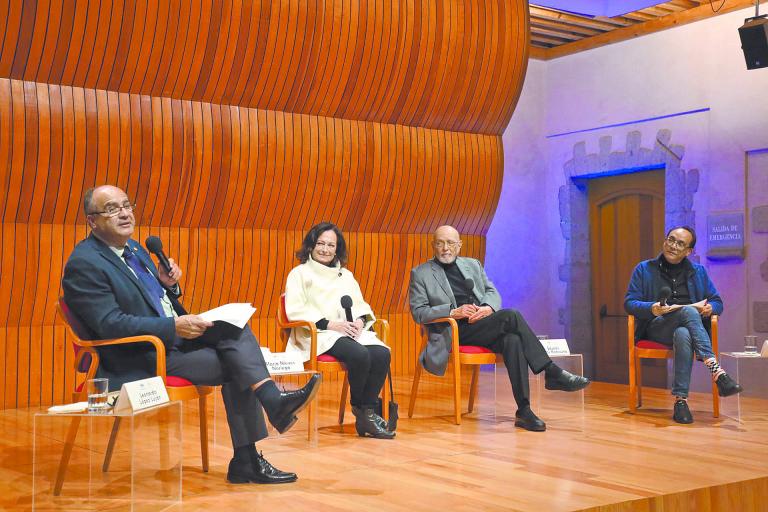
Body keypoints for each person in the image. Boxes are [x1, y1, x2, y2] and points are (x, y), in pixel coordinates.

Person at [62, 185, 321, 484]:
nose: (124, 213)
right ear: (92, 221)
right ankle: (254, 443)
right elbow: (110, 324)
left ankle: (261, 428)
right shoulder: (84, 263)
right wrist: (173, 326)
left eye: (126, 205)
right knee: (240, 366)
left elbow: (154, 300)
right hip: (141, 355)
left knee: (235, 327)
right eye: (111, 208)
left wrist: (167, 286)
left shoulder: (134, 250)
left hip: (171, 340)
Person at [408, 225, 590, 432]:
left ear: (459, 245)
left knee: (512, 340)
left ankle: (524, 410)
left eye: (450, 243)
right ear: (433, 245)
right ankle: (551, 371)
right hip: (453, 331)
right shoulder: (421, 273)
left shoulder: (472, 265)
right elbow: (419, 312)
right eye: (440, 243)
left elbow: (491, 291)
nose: (445, 248)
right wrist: (453, 311)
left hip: (481, 325)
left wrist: (488, 307)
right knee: (511, 315)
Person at [284, 222, 395, 439]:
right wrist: (332, 325)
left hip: (348, 330)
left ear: (338, 249)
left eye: (331, 245)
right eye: (321, 244)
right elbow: (295, 309)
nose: (325, 249)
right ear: (311, 245)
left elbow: (360, 305)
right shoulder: (299, 273)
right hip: (318, 334)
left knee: (382, 353)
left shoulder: (346, 275)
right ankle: (363, 411)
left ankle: (367, 412)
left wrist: (361, 322)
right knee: (360, 354)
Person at [625, 226, 743, 424]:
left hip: (687, 329)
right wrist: (652, 308)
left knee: (683, 333)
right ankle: (716, 370)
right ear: (665, 240)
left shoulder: (698, 272)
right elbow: (629, 302)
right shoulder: (644, 269)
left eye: (680, 243)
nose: (673, 246)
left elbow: (717, 302)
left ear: (689, 251)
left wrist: (709, 309)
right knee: (688, 311)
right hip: (656, 327)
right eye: (670, 240)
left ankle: (681, 401)